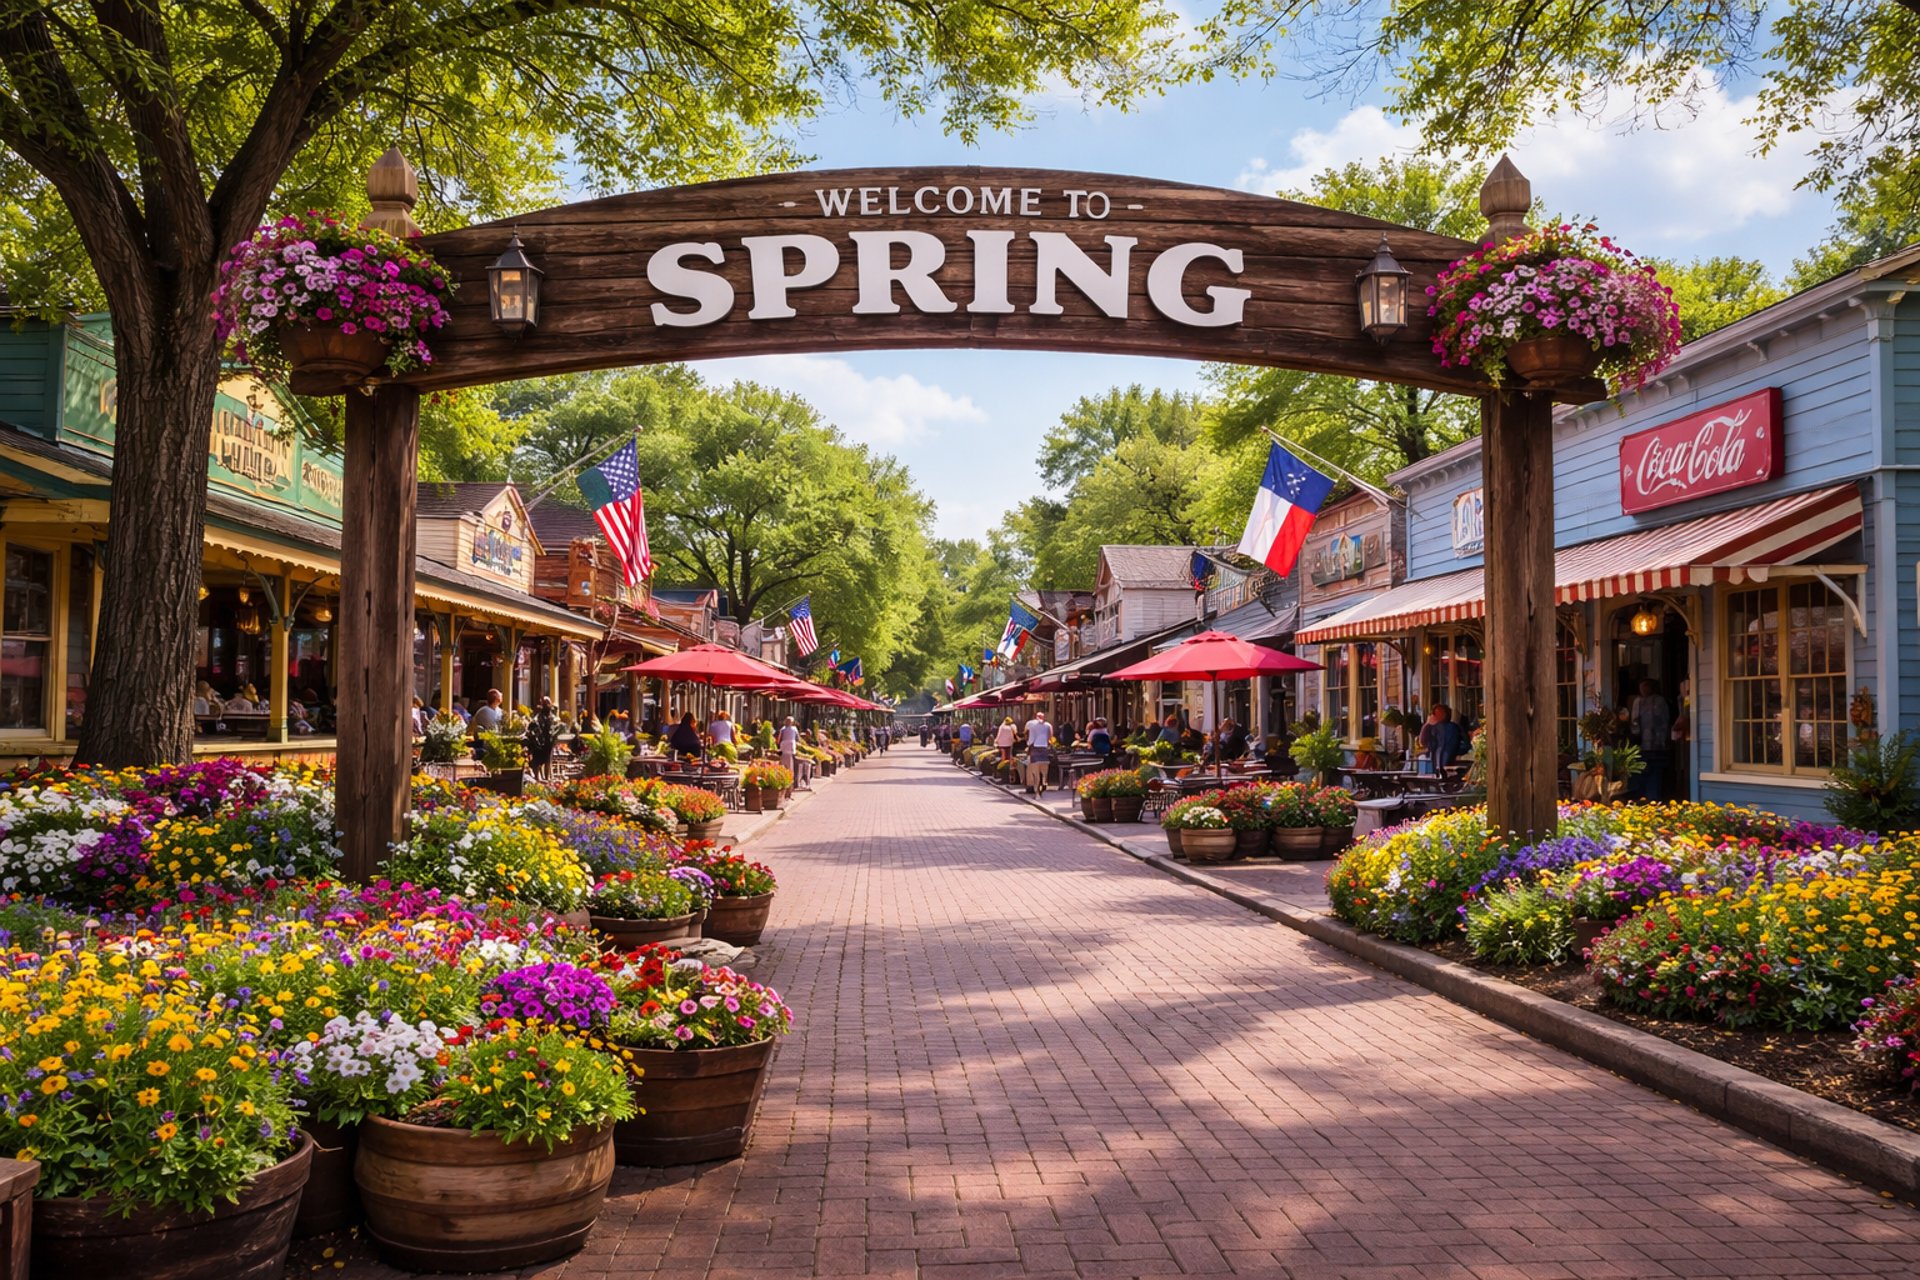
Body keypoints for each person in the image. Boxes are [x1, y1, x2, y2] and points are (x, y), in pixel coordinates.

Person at [1630, 679, 1672, 801]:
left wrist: (1663, 739)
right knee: (1642, 770)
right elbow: (1634, 720)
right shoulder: (1637, 701)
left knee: (1656, 770)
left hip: (1658, 743)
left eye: (1645, 687)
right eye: (1641, 687)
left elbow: (1664, 720)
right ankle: (1642, 796)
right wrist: (1635, 735)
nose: (1642, 690)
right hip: (1642, 743)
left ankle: (1653, 797)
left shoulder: (1659, 701)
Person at [526, 697, 562, 781]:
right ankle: (537, 777)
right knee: (538, 760)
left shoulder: (553, 717)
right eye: (545, 703)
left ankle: (547, 777)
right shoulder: (538, 717)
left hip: (548, 741)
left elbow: (556, 726)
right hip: (539, 742)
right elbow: (533, 727)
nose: (547, 705)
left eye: (548, 703)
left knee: (548, 759)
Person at [1022, 710, 1054, 795]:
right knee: (1044, 766)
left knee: (1033, 768)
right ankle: (1044, 780)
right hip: (1044, 747)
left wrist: (1028, 744)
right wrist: (1048, 743)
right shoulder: (1047, 725)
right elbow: (1050, 737)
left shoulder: (1031, 725)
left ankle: (1034, 785)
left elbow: (1030, 738)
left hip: (1034, 748)